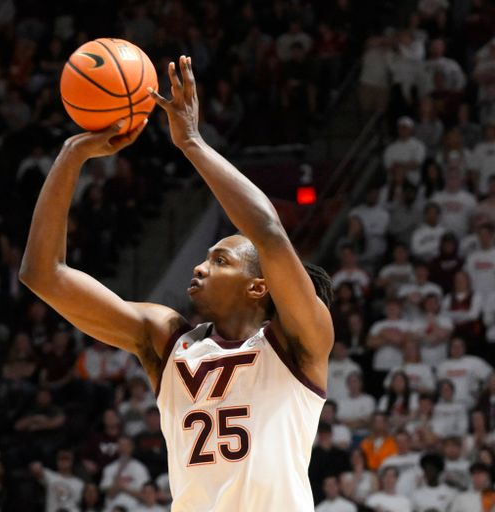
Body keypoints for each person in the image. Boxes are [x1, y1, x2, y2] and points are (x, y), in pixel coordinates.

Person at [20, 55, 334, 511]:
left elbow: (267, 231)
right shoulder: (166, 339)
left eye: (220, 260)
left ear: (258, 286)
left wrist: (191, 142)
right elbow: (42, 274)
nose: (199, 268)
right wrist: (73, 153)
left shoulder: (299, 343)